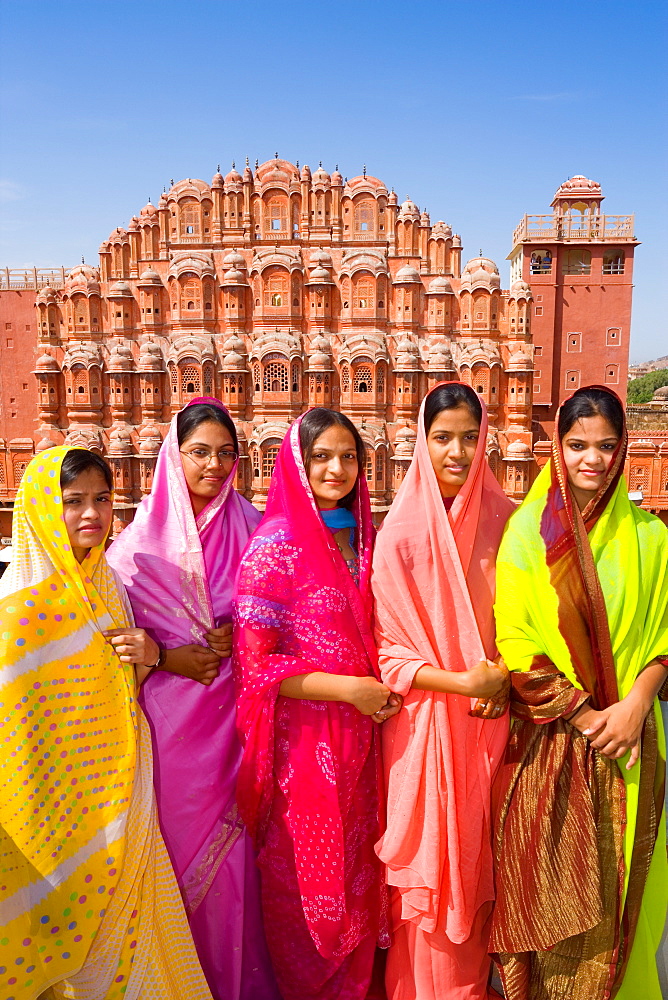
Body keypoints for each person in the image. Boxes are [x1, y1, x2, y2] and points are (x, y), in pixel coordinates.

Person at [0, 446, 213, 1000]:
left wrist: (150, 654)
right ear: (44, 510)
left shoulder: (108, 586)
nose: (91, 513)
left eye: (102, 499)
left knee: (133, 941)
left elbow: (119, 686)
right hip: (47, 805)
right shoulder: (19, 607)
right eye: (72, 502)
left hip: (118, 789)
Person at [490, 386, 668, 1000]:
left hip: (632, 745)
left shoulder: (650, 538)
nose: (592, 459)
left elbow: (662, 635)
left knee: (627, 895)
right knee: (550, 891)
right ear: (556, 448)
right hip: (555, 744)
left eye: (607, 446)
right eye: (577, 445)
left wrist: (637, 705)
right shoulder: (525, 535)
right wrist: (589, 715)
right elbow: (516, 644)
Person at [107, 398, 278, 1000]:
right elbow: (106, 642)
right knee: (177, 860)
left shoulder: (256, 530)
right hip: (170, 731)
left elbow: (284, 618)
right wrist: (163, 654)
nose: (213, 464)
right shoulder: (133, 550)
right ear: (171, 457)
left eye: (225, 453)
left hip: (238, 722)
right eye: (199, 452)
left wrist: (246, 630)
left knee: (239, 864)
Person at [233, 407, 399, 1000]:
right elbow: (255, 666)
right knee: (309, 887)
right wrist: (347, 689)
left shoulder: (366, 536)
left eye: (348, 456)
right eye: (321, 456)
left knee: (362, 876)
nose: (337, 468)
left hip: (368, 742)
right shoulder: (274, 546)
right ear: (297, 464)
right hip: (304, 749)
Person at [372, 382, 513, 1000]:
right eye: (442, 438)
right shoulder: (399, 533)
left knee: (486, 871)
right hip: (424, 730)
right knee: (428, 893)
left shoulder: (508, 522)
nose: (457, 452)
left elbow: (529, 619)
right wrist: (463, 679)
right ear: (421, 444)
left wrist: (503, 673)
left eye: (468, 437)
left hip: (494, 724)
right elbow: (387, 655)